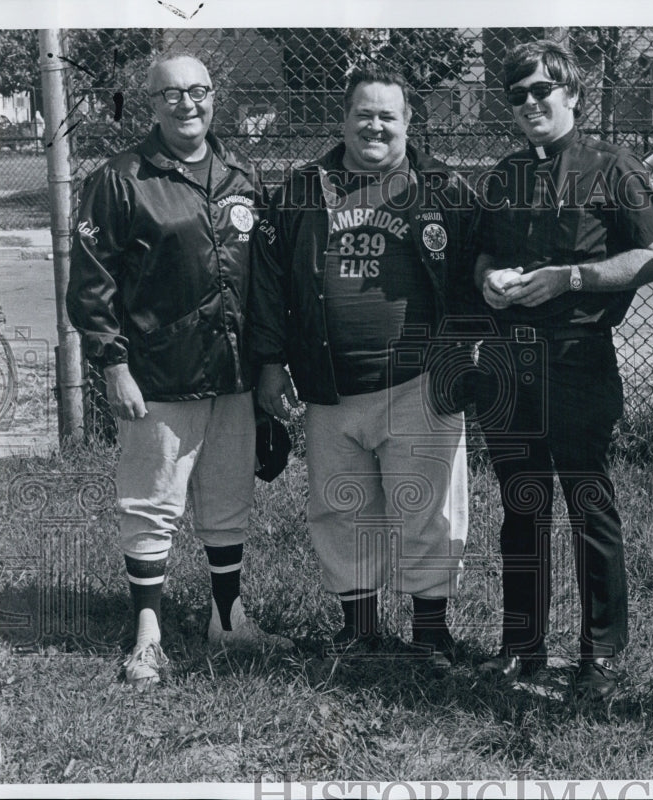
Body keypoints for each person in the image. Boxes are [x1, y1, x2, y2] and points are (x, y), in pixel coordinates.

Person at [67, 53, 292, 690]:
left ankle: (229, 619)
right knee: (151, 504)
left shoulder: (242, 176)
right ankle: (148, 632)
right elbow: (91, 283)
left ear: (214, 97)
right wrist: (113, 364)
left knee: (227, 500)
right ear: (152, 104)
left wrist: (269, 361)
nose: (186, 105)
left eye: (198, 92)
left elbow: (267, 281)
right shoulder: (121, 178)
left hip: (234, 373)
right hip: (159, 372)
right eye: (171, 95)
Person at [250, 64, 475, 668]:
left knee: (428, 506)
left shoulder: (444, 187)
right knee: (341, 506)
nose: (374, 126)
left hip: (418, 380)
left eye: (388, 116)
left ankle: (430, 634)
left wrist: (468, 352)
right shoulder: (301, 190)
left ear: (408, 123)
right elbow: (268, 283)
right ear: (343, 119)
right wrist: (270, 362)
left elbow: (474, 278)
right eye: (363, 114)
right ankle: (360, 633)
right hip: (329, 384)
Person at [473, 39, 653, 700]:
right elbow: (479, 259)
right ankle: (522, 647)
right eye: (518, 94)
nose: (530, 103)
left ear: (574, 96)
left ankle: (603, 656)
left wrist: (575, 277)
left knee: (588, 502)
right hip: (512, 360)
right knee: (520, 505)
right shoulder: (502, 174)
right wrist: (490, 283)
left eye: (542, 91)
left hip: (577, 356)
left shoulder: (612, 168)